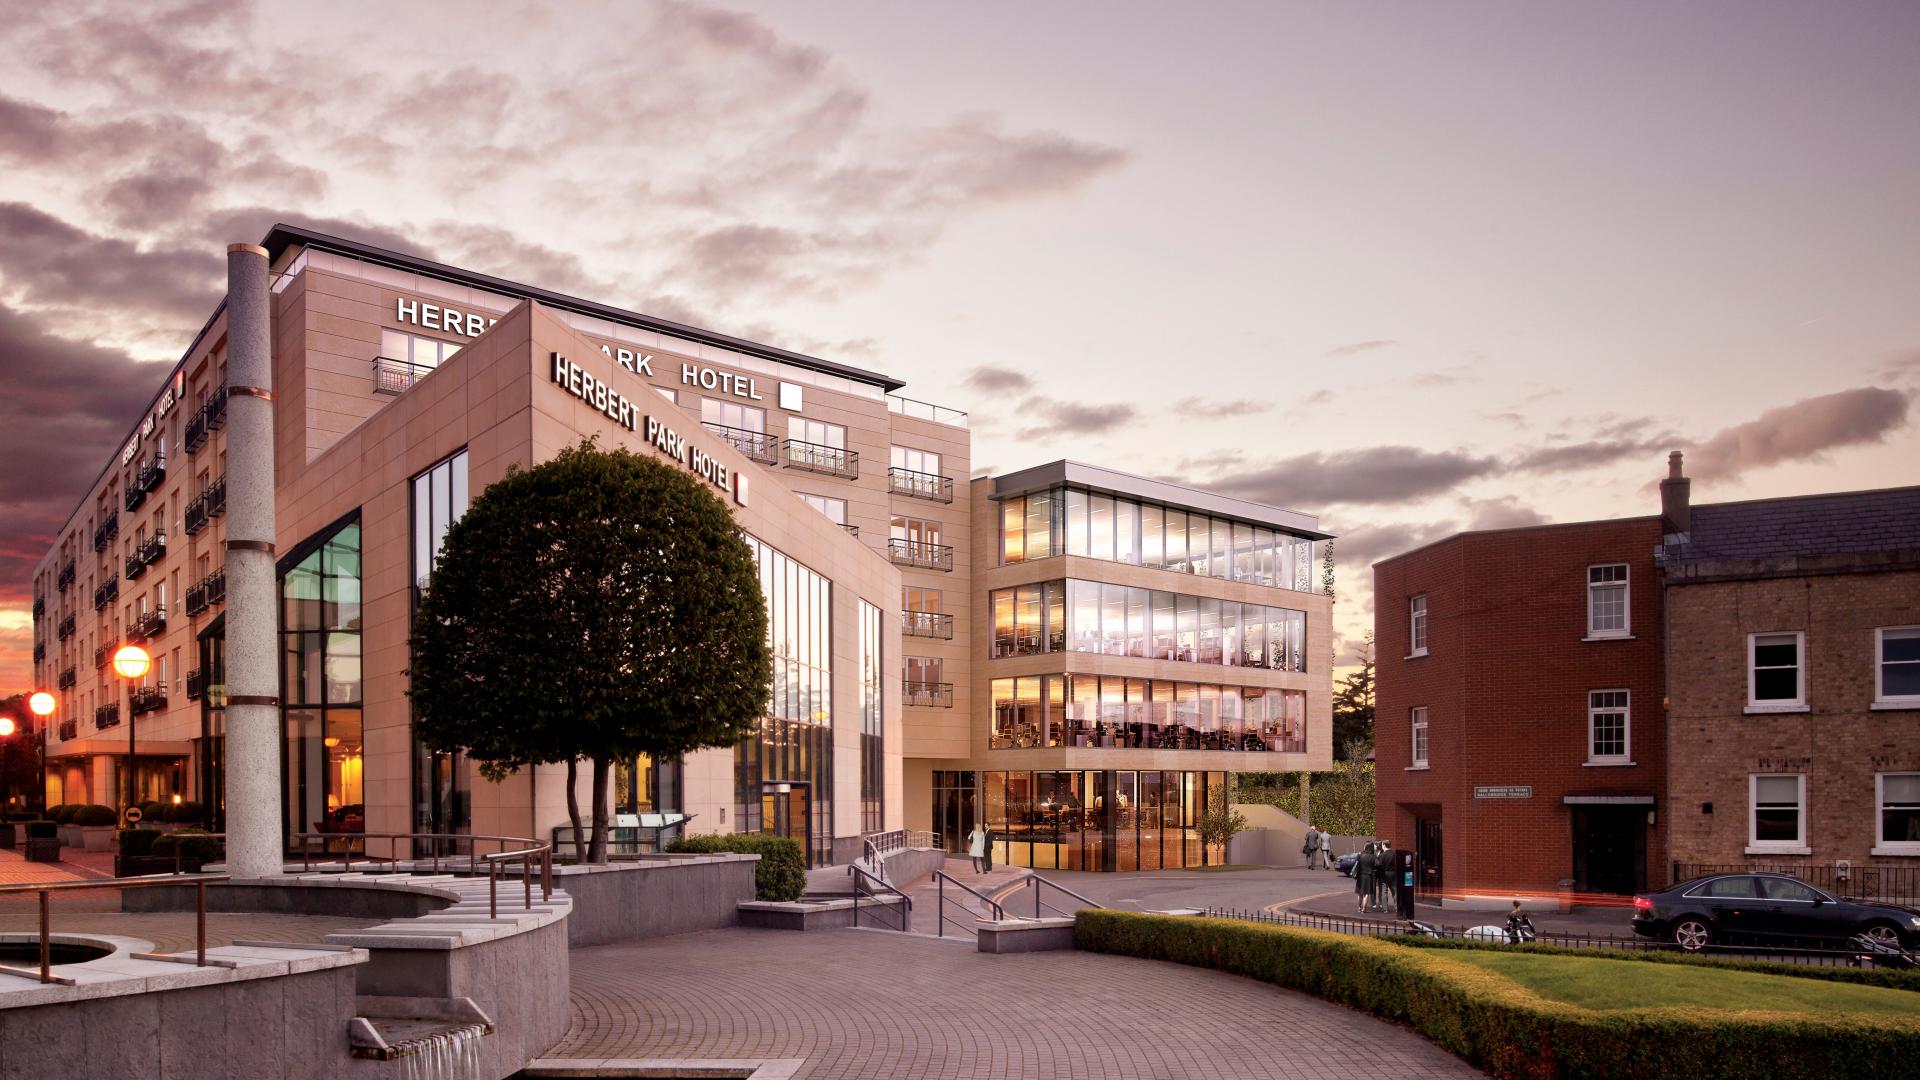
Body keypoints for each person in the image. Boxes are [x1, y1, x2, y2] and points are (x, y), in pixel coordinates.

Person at [1374, 840, 1396, 913]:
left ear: (1384, 845)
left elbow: (1378, 865)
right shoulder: (1394, 854)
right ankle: (1397, 907)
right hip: (1393, 874)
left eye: (1382, 844)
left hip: (1384, 875)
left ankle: (1385, 909)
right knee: (1394, 891)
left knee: (1384, 891)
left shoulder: (1381, 855)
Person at [1354, 841, 1376, 912]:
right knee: (1366, 894)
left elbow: (1356, 863)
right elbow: (1378, 864)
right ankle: (1364, 909)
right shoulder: (1373, 856)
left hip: (1360, 876)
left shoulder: (1360, 855)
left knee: (1359, 893)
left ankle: (1359, 908)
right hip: (1368, 876)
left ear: (1365, 847)